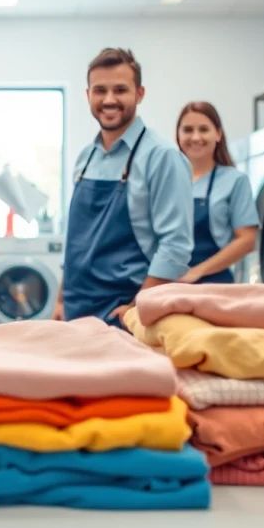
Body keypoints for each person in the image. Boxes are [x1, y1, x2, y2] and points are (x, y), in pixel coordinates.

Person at [53, 48, 194, 327]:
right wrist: (60, 300)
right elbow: (76, 244)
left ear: (139, 94)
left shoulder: (162, 156)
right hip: (75, 310)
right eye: (99, 90)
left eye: (120, 90)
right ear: (88, 95)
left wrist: (137, 308)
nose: (109, 100)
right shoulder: (85, 158)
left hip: (125, 312)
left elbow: (176, 246)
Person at [175, 101, 259, 284]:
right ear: (178, 136)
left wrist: (197, 272)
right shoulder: (166, 181)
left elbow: (247, 240)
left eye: (204, 129)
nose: (196, 137)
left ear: (218, 134)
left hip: (215, 287)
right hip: (169, 284)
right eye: (188, 130)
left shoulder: (235, 181)